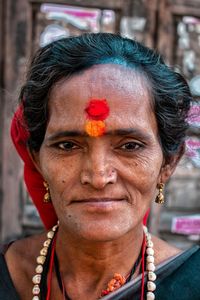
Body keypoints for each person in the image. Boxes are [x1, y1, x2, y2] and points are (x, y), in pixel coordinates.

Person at [0, 33, 199, 300]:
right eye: (68, 145)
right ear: (37, 160)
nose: (97, 176)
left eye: (129, 146)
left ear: (168, 162)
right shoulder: (10, 274)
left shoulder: (191, 284)